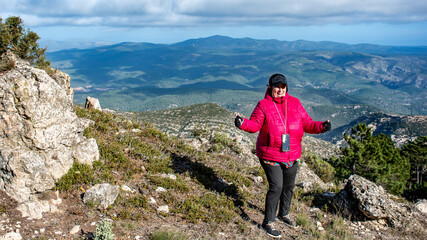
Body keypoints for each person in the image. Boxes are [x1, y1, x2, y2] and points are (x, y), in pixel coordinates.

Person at [234, 73, 331, 238]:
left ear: (286, 88)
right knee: (276, 187)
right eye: (276, 86)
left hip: (292, 153)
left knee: (289, 186)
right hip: (270, 154)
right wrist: (243, 124)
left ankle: (283, 214)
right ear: (270, 87)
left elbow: (307, 123)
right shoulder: (263, 105)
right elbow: (255, 124)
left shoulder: (295, 103)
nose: (280, 90)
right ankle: (268, 222)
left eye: (283, 87)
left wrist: (321, 127)